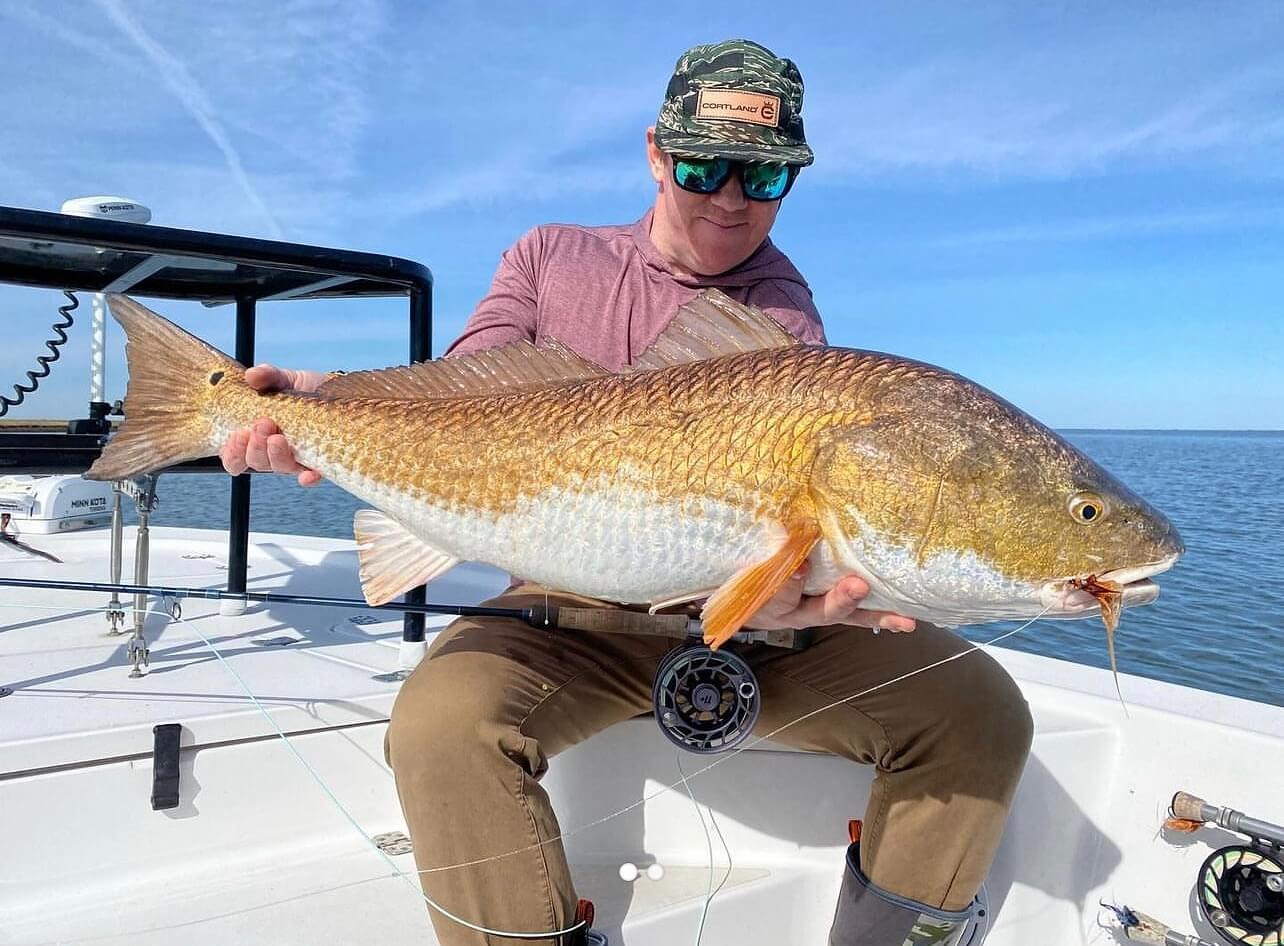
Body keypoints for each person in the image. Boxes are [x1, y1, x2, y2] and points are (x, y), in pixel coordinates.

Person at [221, 39, 1033, 946]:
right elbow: (462, 388)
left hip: (740, 620)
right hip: (558, 604)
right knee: (440, 729)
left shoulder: (781, 308)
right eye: (702, 165)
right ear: (655, 152)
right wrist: (320, 403)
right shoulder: (547, 257)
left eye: (762, 178)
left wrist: (812, 598)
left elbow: (781, 532)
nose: (729, 197)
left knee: (978, 713)